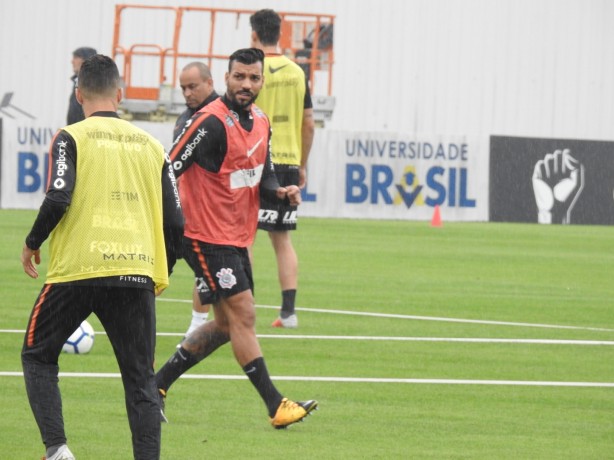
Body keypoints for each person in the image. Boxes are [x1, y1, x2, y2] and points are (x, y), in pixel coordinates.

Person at [21, 54, 184, 460]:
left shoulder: (70, 136)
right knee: (141, 382)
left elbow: (59, 195)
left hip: (77, 270)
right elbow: (177, 223)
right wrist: (158, 270)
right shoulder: (153, 146)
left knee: (38, 355)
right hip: (135, 272)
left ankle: (57, 450)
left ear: (79, 95)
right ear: (120, 94)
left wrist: (32, 241)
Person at [157, 48, 318, 429]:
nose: (246, 84)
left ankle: (156, 385)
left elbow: (263, 178)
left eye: (254, 78)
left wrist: (280, 193)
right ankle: (276, 405)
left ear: (262, 81)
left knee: (229, 326)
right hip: (202, 235)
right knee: (244, 314)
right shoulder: (208, 123)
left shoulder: (262, 122)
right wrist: (169, 226)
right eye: (239, 77)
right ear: (225, 79)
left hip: (235, 236)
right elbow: (167, 169)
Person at [249, 9, 315, 329]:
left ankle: (243, 306)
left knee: (244, 238)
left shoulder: (251, 69)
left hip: (255, 158)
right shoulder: (298, 71)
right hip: (288, 160)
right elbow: (309, 123)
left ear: (253, 35)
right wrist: (302, 164)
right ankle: (288, 313)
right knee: (282, 239)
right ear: (281, 33)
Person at [173, 62, 219, 341]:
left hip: (209, 211)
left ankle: (198, 324)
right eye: (183, 88)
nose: (187, 93)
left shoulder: (217, 118)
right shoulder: (184, 118)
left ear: (210, 83)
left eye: (193, 86)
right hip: (183, 207)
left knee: (205, 270)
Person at [66, 46, 97, 124]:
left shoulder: (92, 84)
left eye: (76, 58)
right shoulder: (79, 82)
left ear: (85, 60)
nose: (72, 61)